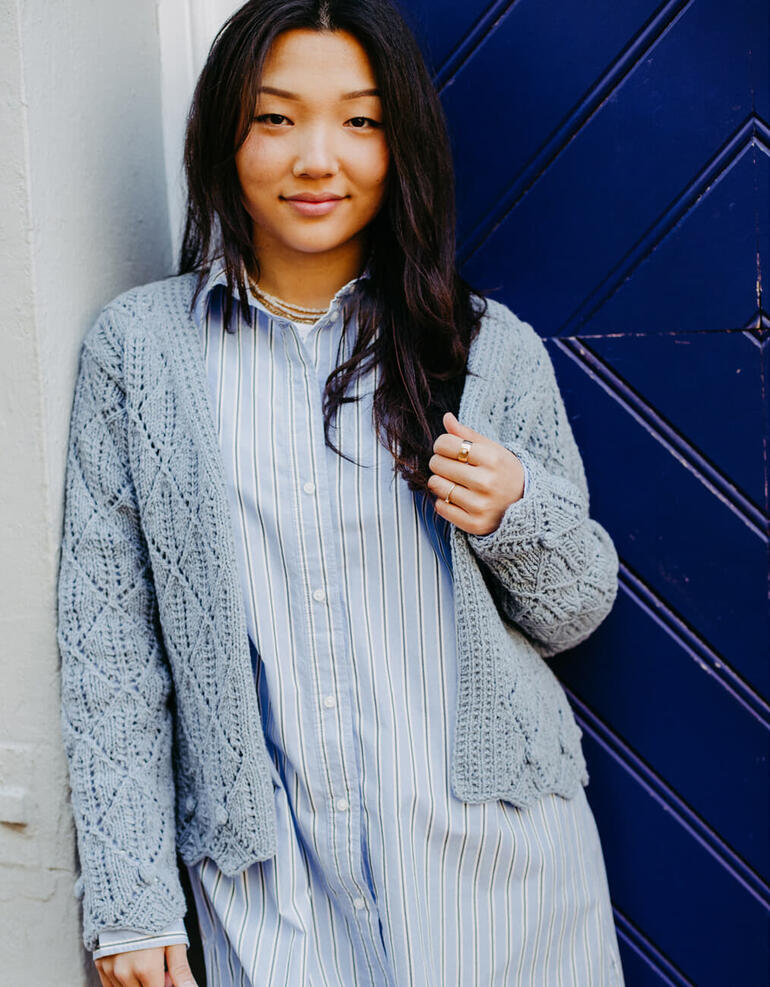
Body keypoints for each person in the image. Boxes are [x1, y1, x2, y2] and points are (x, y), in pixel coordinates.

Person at [56, 1, 625, 984]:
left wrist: (514, 514)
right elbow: (111, 652)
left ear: (399, 140)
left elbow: (574, 608)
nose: (317, 158)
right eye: (276, 117)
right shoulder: (139, 355)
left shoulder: (485, 351)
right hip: (274, 902)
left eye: (359, 120)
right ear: (223, 136)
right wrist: (130, 899)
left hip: (496, 888)